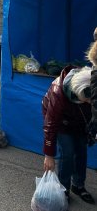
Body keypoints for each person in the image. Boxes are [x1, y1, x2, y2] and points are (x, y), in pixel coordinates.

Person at [42, 65, 94, 204]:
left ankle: (78, 185)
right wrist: (49, 154)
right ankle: (63, 189)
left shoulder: (92, 83)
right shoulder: (57, 92)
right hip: (61, 124)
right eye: (85, 101)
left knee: (81, 151)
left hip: (81, 121)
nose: (88, 103)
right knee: (68, 152)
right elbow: (50, 125)